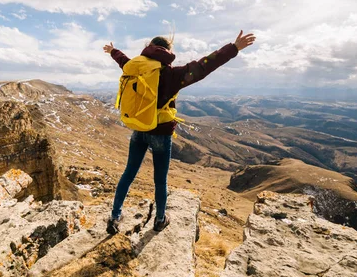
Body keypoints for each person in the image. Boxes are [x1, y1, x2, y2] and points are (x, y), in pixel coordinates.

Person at [103, 30, 256, 234]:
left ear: (149, 49)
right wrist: (234, 48)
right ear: (167, 51)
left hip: (138, 129)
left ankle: (114, 217)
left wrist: (113, 50)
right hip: (161, 133)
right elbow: (204, 66)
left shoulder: (135, 68)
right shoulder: (171, 74)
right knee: (160, 179)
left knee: (128, 174)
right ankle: (159, 220)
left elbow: (123, 61)